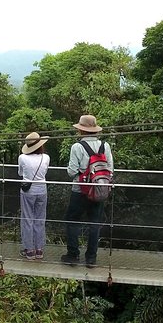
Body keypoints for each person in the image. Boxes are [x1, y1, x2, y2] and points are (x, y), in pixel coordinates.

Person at [61, 114, 114, 268]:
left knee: (72, 220)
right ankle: (91, 258)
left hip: (80, 190)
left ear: (82, 131)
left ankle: (73, 255)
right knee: (95, 223)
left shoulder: (77, 147)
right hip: (99, 190)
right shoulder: (105, 146)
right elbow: (110, 169)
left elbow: (71, 172)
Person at [18, 132, 50, 260]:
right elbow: (45, 171)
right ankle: (39, 249)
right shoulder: (46, 157)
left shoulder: (22, 158)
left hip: (27, 191)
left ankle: (29, 250)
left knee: (27, 219)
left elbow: (20, 173)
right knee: (40, 219)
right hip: (42, 189)